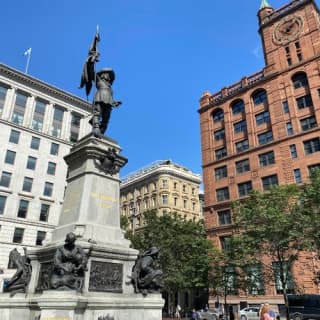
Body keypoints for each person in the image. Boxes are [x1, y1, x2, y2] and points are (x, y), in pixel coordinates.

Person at [91, 68, 122, 135]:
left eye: (109, 75)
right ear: (103, 75)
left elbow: (110, 97)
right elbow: (91, 71)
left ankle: (101, 132)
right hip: (100, 98)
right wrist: (91, 61)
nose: (109, 77)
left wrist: (115, 103)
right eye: (107, 74)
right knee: (97, 113)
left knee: (106, 118)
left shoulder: (110, 87)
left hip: (108, 102)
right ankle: (96, 127)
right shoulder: (99, 80)